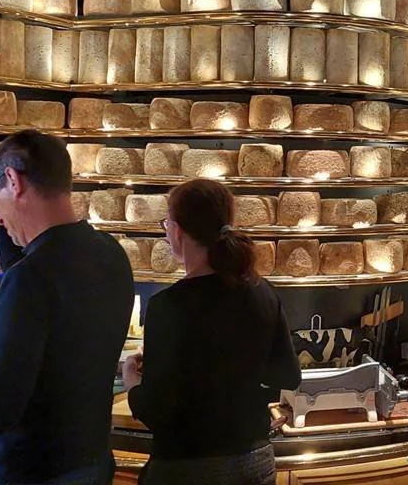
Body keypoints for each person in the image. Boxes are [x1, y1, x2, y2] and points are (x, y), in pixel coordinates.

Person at [0, 130, 135, 485]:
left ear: (14, 181)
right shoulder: (109, 252)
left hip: (29, 471)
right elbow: (31, 261)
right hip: (91, 459)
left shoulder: (31, 279)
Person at [122, 179, 301, 485]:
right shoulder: (263, 293)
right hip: (254, 461)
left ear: (177, 231)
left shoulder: (168, 305)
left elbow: (155, 411)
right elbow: (288, 376)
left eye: (167, 224)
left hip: (188, 467)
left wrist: (132, 381)